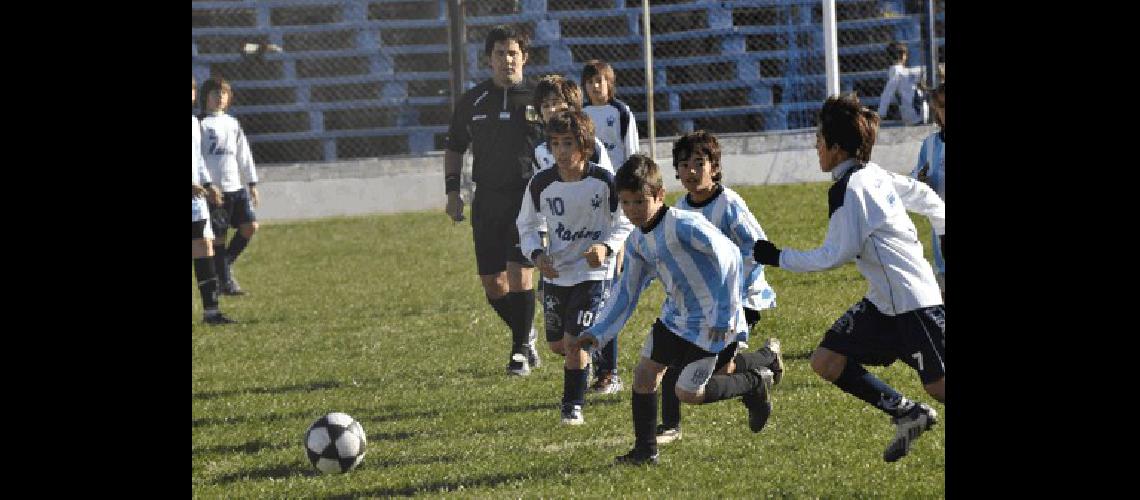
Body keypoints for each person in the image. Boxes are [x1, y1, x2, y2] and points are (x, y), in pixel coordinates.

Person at [752, 93, 945, 463]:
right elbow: (923, 194)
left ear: (837, 149)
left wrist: (775, 256)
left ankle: (916, 410)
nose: (816, 148)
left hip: (912, 303)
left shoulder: (851, 188)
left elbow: (832, 256)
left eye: (819, 142)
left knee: (939, 386)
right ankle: (907, 413)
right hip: (884, 302)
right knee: (826, 360)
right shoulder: (872, 174)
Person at [574, 154, 780, 465]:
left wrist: (723, 315)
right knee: (644, 376)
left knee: (688, 392)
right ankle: (645, 452)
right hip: (675, 319)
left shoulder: (685, 225)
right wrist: (597, 333)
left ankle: (755, 384)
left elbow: (730, 258)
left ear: (659, 195)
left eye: (638, 202)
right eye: (625, 203)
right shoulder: (636, 243)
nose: (631, 211)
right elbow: (626, 293)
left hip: (710, 322)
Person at [656, 130, 782, 444]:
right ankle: (669, 425)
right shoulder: (680, 210)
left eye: (699, 163)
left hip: (741, 301)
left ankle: (758, 375)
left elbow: (758, 248)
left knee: (715, 369)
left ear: (715, 167)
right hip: (701, 305)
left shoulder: (728, 205)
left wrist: (735, 292)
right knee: (683, 360)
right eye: (684, 165)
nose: (691, 171)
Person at [516, 110, 634, 425]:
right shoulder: (540, 184)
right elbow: (526, 225)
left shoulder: (603, 181)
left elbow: (625, 221)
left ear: (584, 145)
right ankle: (587, 357)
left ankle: (572, 407)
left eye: (568, 143)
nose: (561, 151)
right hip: (558, 273)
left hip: (595, 274)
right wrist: (538, 256)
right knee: (557, 345)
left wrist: (606, 247)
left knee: (575, 342)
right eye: (555, 144)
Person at [444, 25, 545, 376]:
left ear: (524, 57)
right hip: (486, 199)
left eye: (513, 53)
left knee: (520, 275)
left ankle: (519, 352)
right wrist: (452, 192)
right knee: (494, 284)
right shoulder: (472, 101)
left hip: (527, 200)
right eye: (500, 54)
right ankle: (525, 331)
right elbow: (455, 147)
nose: (507, 60)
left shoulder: (539, 98)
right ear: (489, 60)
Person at [582, 59, 640, 394]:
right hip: (591, 198)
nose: (595, 87)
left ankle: (608, 368)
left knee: (611, 274)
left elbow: (631, 152)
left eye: (600, 82)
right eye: (589, 82)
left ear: (610, 83)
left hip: (618, 195)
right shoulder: (582, 115)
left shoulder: (621, 112)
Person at [199, 76, 260, 296]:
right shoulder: (199, 124)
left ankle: (221, 268)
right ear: (205, 97)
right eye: (215, 93)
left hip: (236, 187)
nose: (219, 97)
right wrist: (205, 185)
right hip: (215, 192)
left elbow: (244, 154)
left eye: (223, 93)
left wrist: (251, 182)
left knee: (250, 226)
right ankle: (226, 283)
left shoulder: (232, 123)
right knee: (219, 238)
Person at [192, 75, 235, 325]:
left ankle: (211, 312)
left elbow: (197, 160)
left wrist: (208, 184)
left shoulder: (195, 124)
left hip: (196, 199)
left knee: (204, 247)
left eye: (192, 89)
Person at [532, 75, 613, 175]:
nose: (551, 110)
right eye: (545, 106)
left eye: (555, 103)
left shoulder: (591, 144)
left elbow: (608, 183)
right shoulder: (539, 149)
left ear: (571, 106)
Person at [911, 83, 946, 294]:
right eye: (941, 106)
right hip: (940, 236)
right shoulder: (930, 145)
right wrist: (921, 182)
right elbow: (915, 181)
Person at [876, 41, 928, 126]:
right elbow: (888, 92)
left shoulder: (901, 72)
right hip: (916, 113)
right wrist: (881, 113)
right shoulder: (897, 71)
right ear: (903, 56)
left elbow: (887, 93)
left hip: (912, 113)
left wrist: (881, 112)